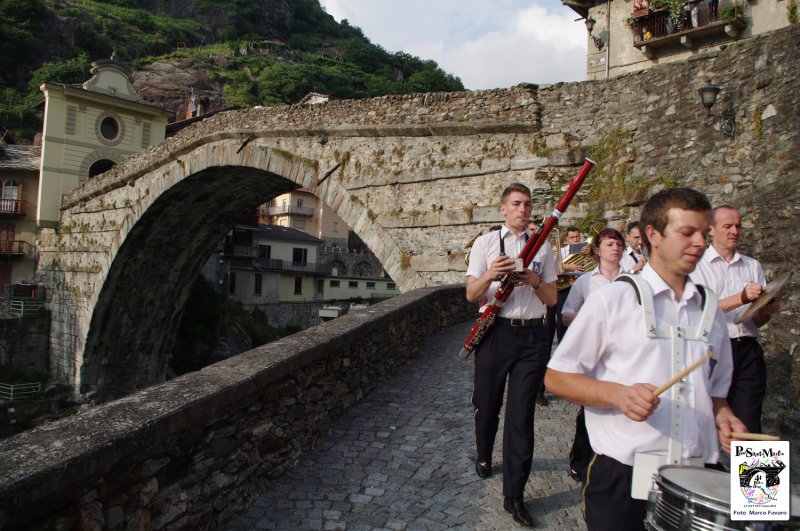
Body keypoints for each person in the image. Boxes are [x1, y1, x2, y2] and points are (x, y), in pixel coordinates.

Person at [544, 188, 746, 531]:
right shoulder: (612, 300)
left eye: (703, 232)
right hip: (626, 474)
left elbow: (715, 394)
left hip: (699, 473)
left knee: (767, 511)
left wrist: (724, 415)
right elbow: (557, 377)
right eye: (686, 233)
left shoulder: (710, 310)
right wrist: (618, 395)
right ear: (653, 234)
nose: (699, 241)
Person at [466, 183, 557, 528]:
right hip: (496, 332)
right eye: (517, 204)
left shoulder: (545, 246)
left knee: (522, 417)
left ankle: (514, 496)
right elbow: (470, 294)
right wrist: (491, 273)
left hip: (532, 336)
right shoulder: (486, 243)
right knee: (487, 405)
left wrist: (534, 279)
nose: (524, 209)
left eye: (528, 204)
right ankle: (486, 455)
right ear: (503, 208)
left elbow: (551, 299)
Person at [691, 205, 780, 434]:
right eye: (727, 226)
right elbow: (698, 310)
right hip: (710, 350)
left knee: (751, 426)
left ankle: (759, 472)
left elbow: (756, 322)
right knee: (700, 424)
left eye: (738, 226)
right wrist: (740, 298)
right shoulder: (696, 265)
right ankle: (706, 467)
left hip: (747, 349)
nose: (734, 231)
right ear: (711, 229)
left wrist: (767, 310)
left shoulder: (752, 265)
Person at [561, 228, 625, 482]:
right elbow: (566, 314)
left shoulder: (635, 279)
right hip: (596, 354)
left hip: (624, 355)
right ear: (598, 250)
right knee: (590, 410)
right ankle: (580, 461)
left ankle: (757, 507)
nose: (616, 248)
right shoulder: (587, 281)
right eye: (609, 244)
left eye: (619, 243)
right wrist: (591, 321)